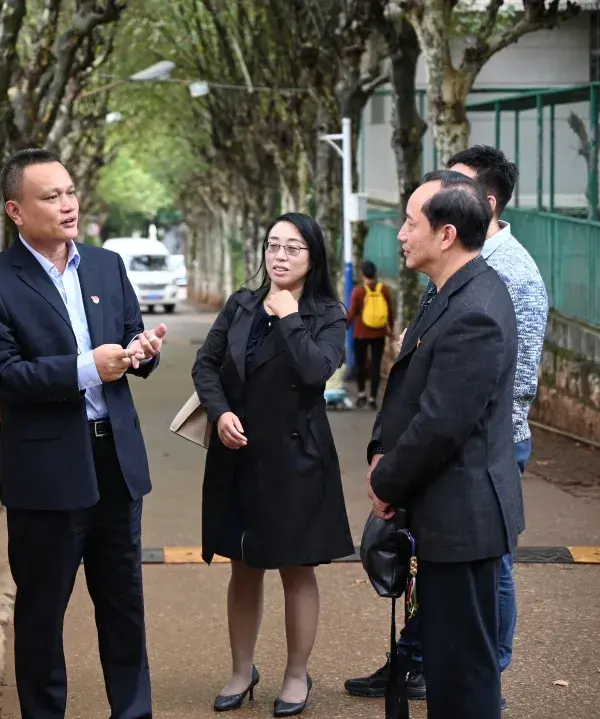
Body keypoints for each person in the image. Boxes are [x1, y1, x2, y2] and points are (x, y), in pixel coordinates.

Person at [0, 147, 167, 719]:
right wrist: (84, 368)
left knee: (124, 606)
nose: (68, 205)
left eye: (71, 192)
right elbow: (1, 375)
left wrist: (141, 352)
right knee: (43, 614)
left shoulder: (105, 266)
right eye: (51, 197)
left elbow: (128, 341)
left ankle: (133, 711)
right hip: (47, 473)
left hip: (116, 462)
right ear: (16, 211)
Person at [345, 147, 548, 711]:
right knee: (451, 664)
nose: (402, 233)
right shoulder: (451, 290)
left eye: (411, 222)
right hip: (443, 511)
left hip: (465, 515)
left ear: (447, 233)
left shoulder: (479, 305)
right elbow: (410, 386)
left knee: (464, 676)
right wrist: (383, 451)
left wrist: (388, 484)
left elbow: (442, 423)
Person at [192, 213, 354, 717]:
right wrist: (220, 414)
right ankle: (242, 670)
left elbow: (314, 372)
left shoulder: (328, 313)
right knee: (243, 565)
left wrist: (288, 316)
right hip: (238, 454)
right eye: (272, 246)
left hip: (297, 459)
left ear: (313, 257)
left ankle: (296, 675)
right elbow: (205, 365)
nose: (279, 257)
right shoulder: (241, 303)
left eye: (293, 248)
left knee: (296, 568)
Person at [345, 260, 395, 408]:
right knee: (375, 366)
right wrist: (390, 330)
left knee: (361, 365)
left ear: (362, 274)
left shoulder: (358, 291)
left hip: (360, 333)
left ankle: (361, 395)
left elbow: (352, 313)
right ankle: (373, 398)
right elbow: (390, 312)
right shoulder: (383, 289)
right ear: (374, 273)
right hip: (379, 333)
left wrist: (343, 327)